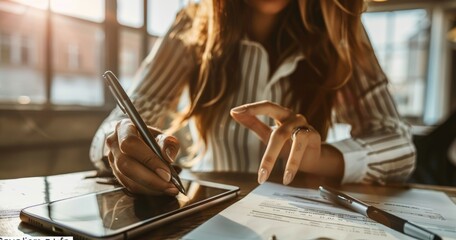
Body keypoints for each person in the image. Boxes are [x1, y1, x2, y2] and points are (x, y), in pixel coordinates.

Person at [90, 0, 416, 196]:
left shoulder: (342, 33)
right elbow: (111, 131)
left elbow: (401, 150)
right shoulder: (192, 25)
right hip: (210, 210)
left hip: (301, 217)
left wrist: (320, 159)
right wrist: (117, 140)